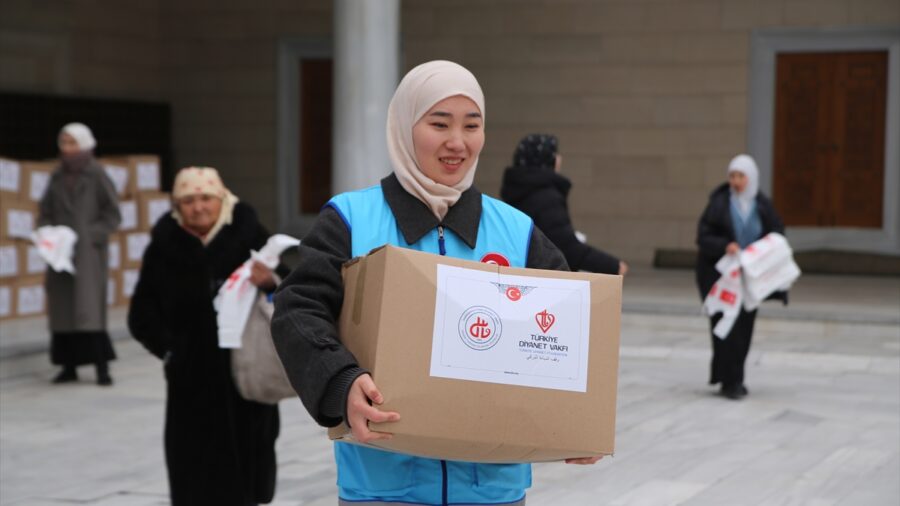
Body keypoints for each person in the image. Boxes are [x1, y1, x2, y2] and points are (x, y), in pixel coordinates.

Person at [271, 60, 601, 506]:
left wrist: (578, 419)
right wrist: (341, 382)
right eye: (439, 124)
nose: (457, 142)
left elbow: (568, 330)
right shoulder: (350, 219)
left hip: (492, 491)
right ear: (405, 126)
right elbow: (298, 310)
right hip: (383, 488)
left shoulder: (516, 230)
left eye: (472, 125)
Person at [128, 167, 285, 506]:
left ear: (222, 199)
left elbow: (292, 290)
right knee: (193, 468)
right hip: (190, 379)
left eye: (205, 198)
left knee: (247, 461)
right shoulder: (165, 246)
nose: (198, 207)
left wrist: (269, 283)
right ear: (177, 206)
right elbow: (141, 314)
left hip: (245, 371)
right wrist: (171, 350)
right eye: (188, 200)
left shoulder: (249, 235)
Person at [695, 154, 787, 400]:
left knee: (744, 328)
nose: (735, 181)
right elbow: (703, 237)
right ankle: (728, 380)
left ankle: (735, 378)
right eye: (732, 176)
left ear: (751, 178)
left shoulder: (763, 205)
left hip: (749, 279)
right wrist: (725, 246)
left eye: (741, 176)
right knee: (725, 326)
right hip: (721, 278)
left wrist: (761, 252)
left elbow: (777, 234)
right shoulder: (718, 204)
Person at [39, 122, 121, 386]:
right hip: (60, 255)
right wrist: (48, 233)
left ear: (85, 143)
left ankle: (101, 367)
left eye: (72, 143)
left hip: (87, 256)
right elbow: (45, 211)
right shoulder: (56, 176)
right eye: (64, 142)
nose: (67, 148)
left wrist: (89, 235)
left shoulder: (96, 174)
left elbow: (113, 214)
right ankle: (68, 366)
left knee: (89, 311)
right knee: (63, 312)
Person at [500, 134, 628, 276]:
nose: (560, 158)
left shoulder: (517, 192)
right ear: (550, 160)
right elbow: (568, 249)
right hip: (544, 278)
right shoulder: (546, 198)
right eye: (556, 154)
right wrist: (613, 266)